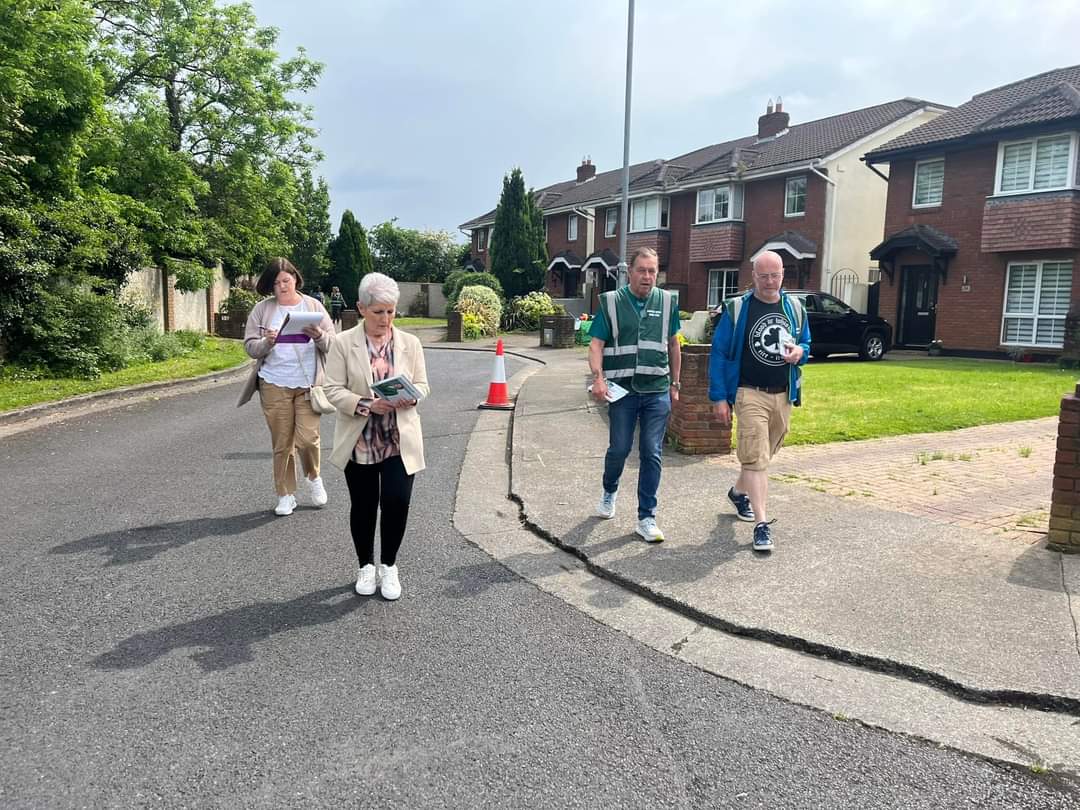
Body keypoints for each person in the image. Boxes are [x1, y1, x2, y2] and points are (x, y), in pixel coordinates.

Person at [323, 272, 428, 601]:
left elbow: (423, 384)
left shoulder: (410, 343)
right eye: (378, 311)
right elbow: (330, 390)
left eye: (391, 311)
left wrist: (412, 396)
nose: (385, 319)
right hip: (361, 439)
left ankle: (390, 566)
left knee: (397, 501)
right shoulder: (342, 343)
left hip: (400, 438)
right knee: (364, 505)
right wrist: (367, 403)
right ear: (361, 308)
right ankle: (365, 565)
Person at [708, 250, 810, 552]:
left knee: (762, 455)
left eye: (774, 275)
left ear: (782, 275)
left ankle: (739, 493)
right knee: (755, 459)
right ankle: (762, 525)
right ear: (753, 276)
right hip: (748, 392)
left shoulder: (794, 307)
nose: (769, 281)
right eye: (763, 275)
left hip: (783, 393)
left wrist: (800, 353)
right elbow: (719, 353)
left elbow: (805, 341)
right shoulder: (738, 309)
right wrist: (719, 398)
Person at [588, 247, 681, 543]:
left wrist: (675, 384)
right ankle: (609, 490)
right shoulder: (612, 303)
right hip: (623, 391)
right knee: (619, 449)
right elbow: (595, 344)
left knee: (652, 452)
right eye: (642, 270)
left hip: (656, 390)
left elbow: (674, 344)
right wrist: (599, 378)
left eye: (653, 271)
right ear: (630, 272)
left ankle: (646, 517)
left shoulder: (667, 302)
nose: (648, 276)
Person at [237, 257, 336, 516]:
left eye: (286, 280)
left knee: (307, 440)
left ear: (295, 279)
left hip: (307, 384)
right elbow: (249, 346)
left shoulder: (313, 306)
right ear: (271, 286)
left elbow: (334, 345)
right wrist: (267, 343)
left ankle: (314, 478)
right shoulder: (262, 310)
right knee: (282, 443)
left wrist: (320, 336)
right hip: (274, 383)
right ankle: (285, 494)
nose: (282, 286)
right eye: (276, 282)